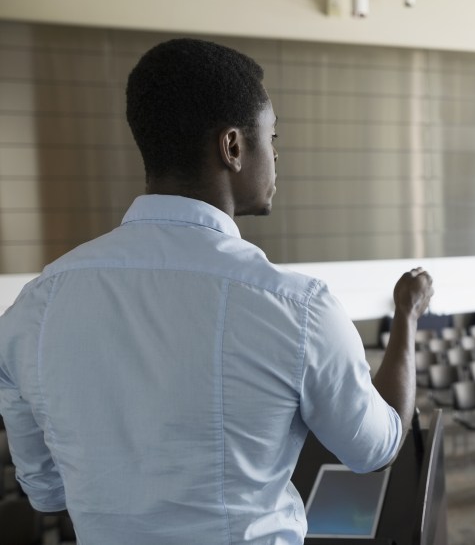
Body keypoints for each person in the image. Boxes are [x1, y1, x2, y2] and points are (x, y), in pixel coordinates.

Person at [0, 38, 434, 544]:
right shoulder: (296, 307)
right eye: (272, 137)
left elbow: (46, 490)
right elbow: (376, 448)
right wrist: (406, 315)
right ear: (232, 147)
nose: (275, 155)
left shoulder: (33, 309)